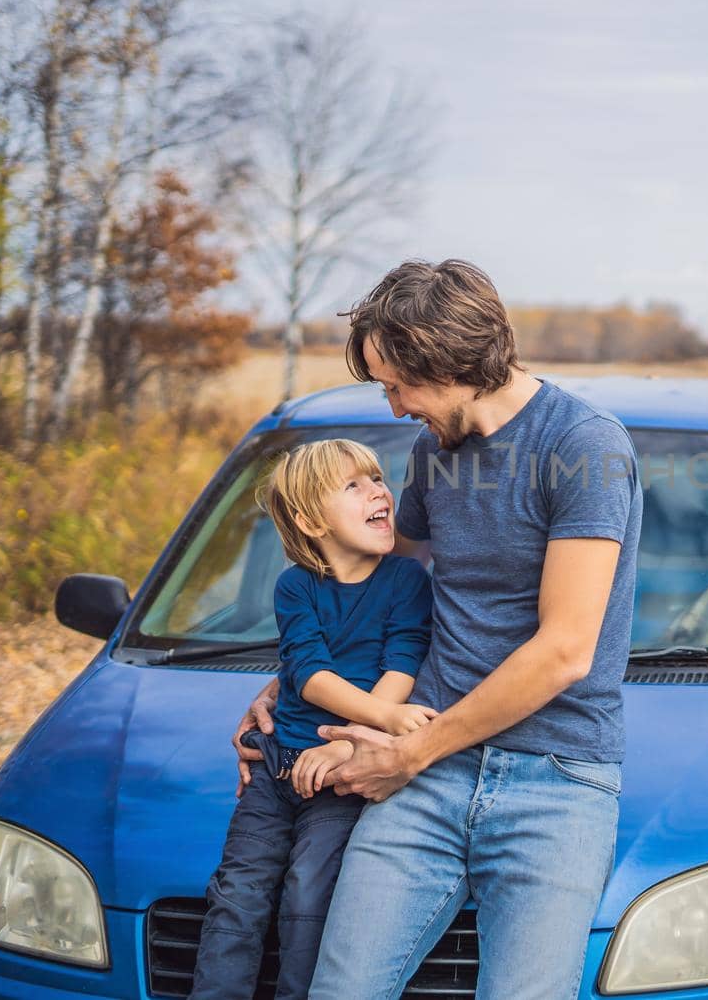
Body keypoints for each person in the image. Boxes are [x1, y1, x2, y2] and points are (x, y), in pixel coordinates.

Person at [232, 259, 643, 999]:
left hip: (557, 777)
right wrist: (290, 681)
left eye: (399, 384)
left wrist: (411, 750)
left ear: (453, 361)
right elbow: (377, 589)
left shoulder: (584, 446)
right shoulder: (434, 453)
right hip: (428, 772)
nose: (394, 408)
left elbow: (563, 651)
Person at [192, 438, 434, 1000]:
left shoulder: (406, 582)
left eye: (376, 478)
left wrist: (359, 742)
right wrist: (384, 718)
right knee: (237, 896)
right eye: (353, 485)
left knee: (308, 895)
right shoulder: (295, 586)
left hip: (340, 784)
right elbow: (307, 672)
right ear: (309, 519)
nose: (378, 490)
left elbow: (404, 661)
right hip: (275, 772)